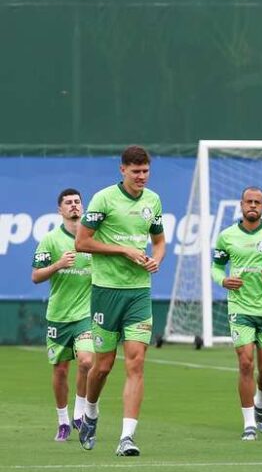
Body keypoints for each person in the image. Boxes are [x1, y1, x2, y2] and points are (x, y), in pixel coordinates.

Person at [75, 145, 166, 456]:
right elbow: (82, 241)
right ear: (122, 170)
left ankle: (127, 437)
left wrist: (156, 259)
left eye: (145, 171)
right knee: (102, 366)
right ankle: (90, 410)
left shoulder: (152, 200)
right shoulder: (104, 199)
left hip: (139, 292)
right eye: (136, 171)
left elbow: (159, 240)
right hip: (106, 291)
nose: (141, 177)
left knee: (137, 363)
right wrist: (123, 249)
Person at [212, 187, 262, 440]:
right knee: (245, 363)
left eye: (258, 202)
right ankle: (249, 423)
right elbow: (217, 267)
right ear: (241, 205)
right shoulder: (227, 236)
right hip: (240, 308)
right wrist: (223, 281)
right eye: (249, 202)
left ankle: (261, 402)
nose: (253, 205)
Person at [32, 188, 93, 442]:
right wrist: (57, 265)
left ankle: (80, 412)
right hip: (58, 316)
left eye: (77, 202)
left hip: (86, 315)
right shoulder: (50, 240)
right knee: (60, 370)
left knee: (88, 362)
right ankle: (63, 421)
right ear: (60, 209)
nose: (74, 206)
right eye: (68, 203)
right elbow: (35, 276)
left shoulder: (92, 239)